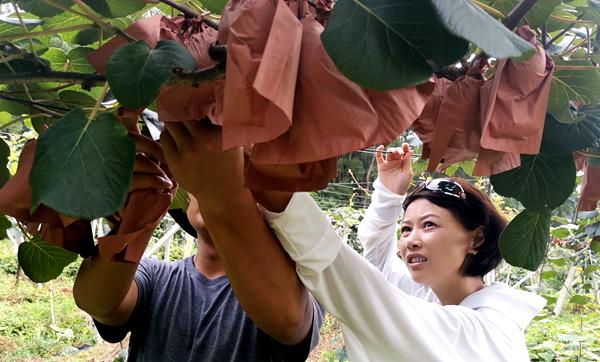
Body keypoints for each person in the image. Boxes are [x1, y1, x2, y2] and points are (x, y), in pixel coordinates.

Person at [251, 143, 547, 362]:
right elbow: (377, 262)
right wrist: (389, 194)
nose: (410, 241)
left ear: (477, 237)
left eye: (429, 225)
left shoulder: (485, 332)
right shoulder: (433, 295)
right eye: (405, 230)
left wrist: (277, 190)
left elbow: (356, 283)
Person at [72, 127, 322, 361]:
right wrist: (141, 212)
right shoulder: (156, 278)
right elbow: (98, 302)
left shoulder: (301, 287)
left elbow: (290, 321)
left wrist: (223, 190)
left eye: (245, 177)